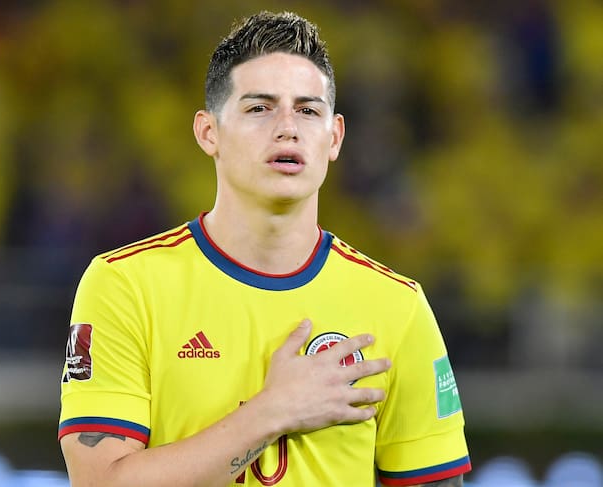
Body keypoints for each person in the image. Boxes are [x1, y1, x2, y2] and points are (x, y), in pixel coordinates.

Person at [58, 10, 471, 487]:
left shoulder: (398, 306)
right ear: (208, 132)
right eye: (259, 108)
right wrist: (273, 412)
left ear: (334, 137)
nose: (288, 128)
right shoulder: (123, 285)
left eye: (308, 110)